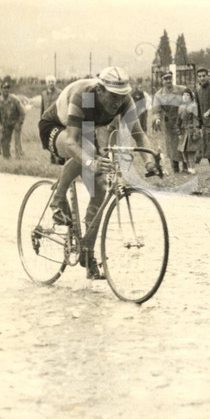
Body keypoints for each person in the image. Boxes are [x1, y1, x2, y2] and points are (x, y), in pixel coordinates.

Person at [38, 66, 156, 279]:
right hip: (55, 127)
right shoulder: (87, 96)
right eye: (112, 96)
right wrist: (91, 163)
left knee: (100, 190)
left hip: (85, 132)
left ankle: (87, 254)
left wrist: (150, 161)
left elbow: (139, 135)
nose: (117, 102)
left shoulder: (124, 100)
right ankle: (57, 199)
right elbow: (73, 143)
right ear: (100, 90)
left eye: (121, 96)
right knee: (88, 151)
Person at [152, 72, 187, 174]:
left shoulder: (181, 89)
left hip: (182, 120)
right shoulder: (159, 94)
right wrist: (157, 118)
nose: (168, 81)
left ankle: (186, 167)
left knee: (184, 143)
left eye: (169, 78)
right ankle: (175, 168)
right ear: (162, 81)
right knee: (172, 146)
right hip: (169, 122)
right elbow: (156, 110)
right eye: (165, 79)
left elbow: (190, 100)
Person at [195, 67, 210, 179]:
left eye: (204, 76)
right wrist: (199, 123)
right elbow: (199, 107)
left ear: (208, 76)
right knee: (207, 150)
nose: (202, 78)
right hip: (205, 124)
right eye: (199, 76)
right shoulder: (198, 90)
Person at [0, 80, 26, 159]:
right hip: (5, 123)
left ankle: (18, 156)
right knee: (4, 140)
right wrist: (0, 124)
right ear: (1, 89)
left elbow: (22, 112)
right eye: (4, 88)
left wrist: (19, 123)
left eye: (8, 88)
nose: (6, 90)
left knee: (17, 141)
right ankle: (6, 156)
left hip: (15, 122)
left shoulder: (15, 99)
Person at [177, 89, 201, 174]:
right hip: (183, 130)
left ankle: (192, 168)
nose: (185, 97)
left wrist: (196, 130)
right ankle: (187, 167)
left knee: (191, 150)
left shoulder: (193, 106)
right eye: (184, 95)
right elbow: (178, 121)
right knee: (183, 150)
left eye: (187, 95)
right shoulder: (181, 107)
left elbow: (196, 119)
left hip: (191, 130)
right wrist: (179, 132)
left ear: (191, 97)